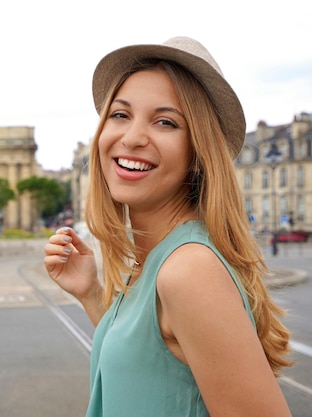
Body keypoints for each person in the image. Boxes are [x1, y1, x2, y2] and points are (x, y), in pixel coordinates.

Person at [44, 37, 292, 416]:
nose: (132, 137)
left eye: (165, 122)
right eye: (121, 114)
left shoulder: (188, 270)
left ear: (198, 154)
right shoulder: (163, 260)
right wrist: (91, 293)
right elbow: (151, 365)